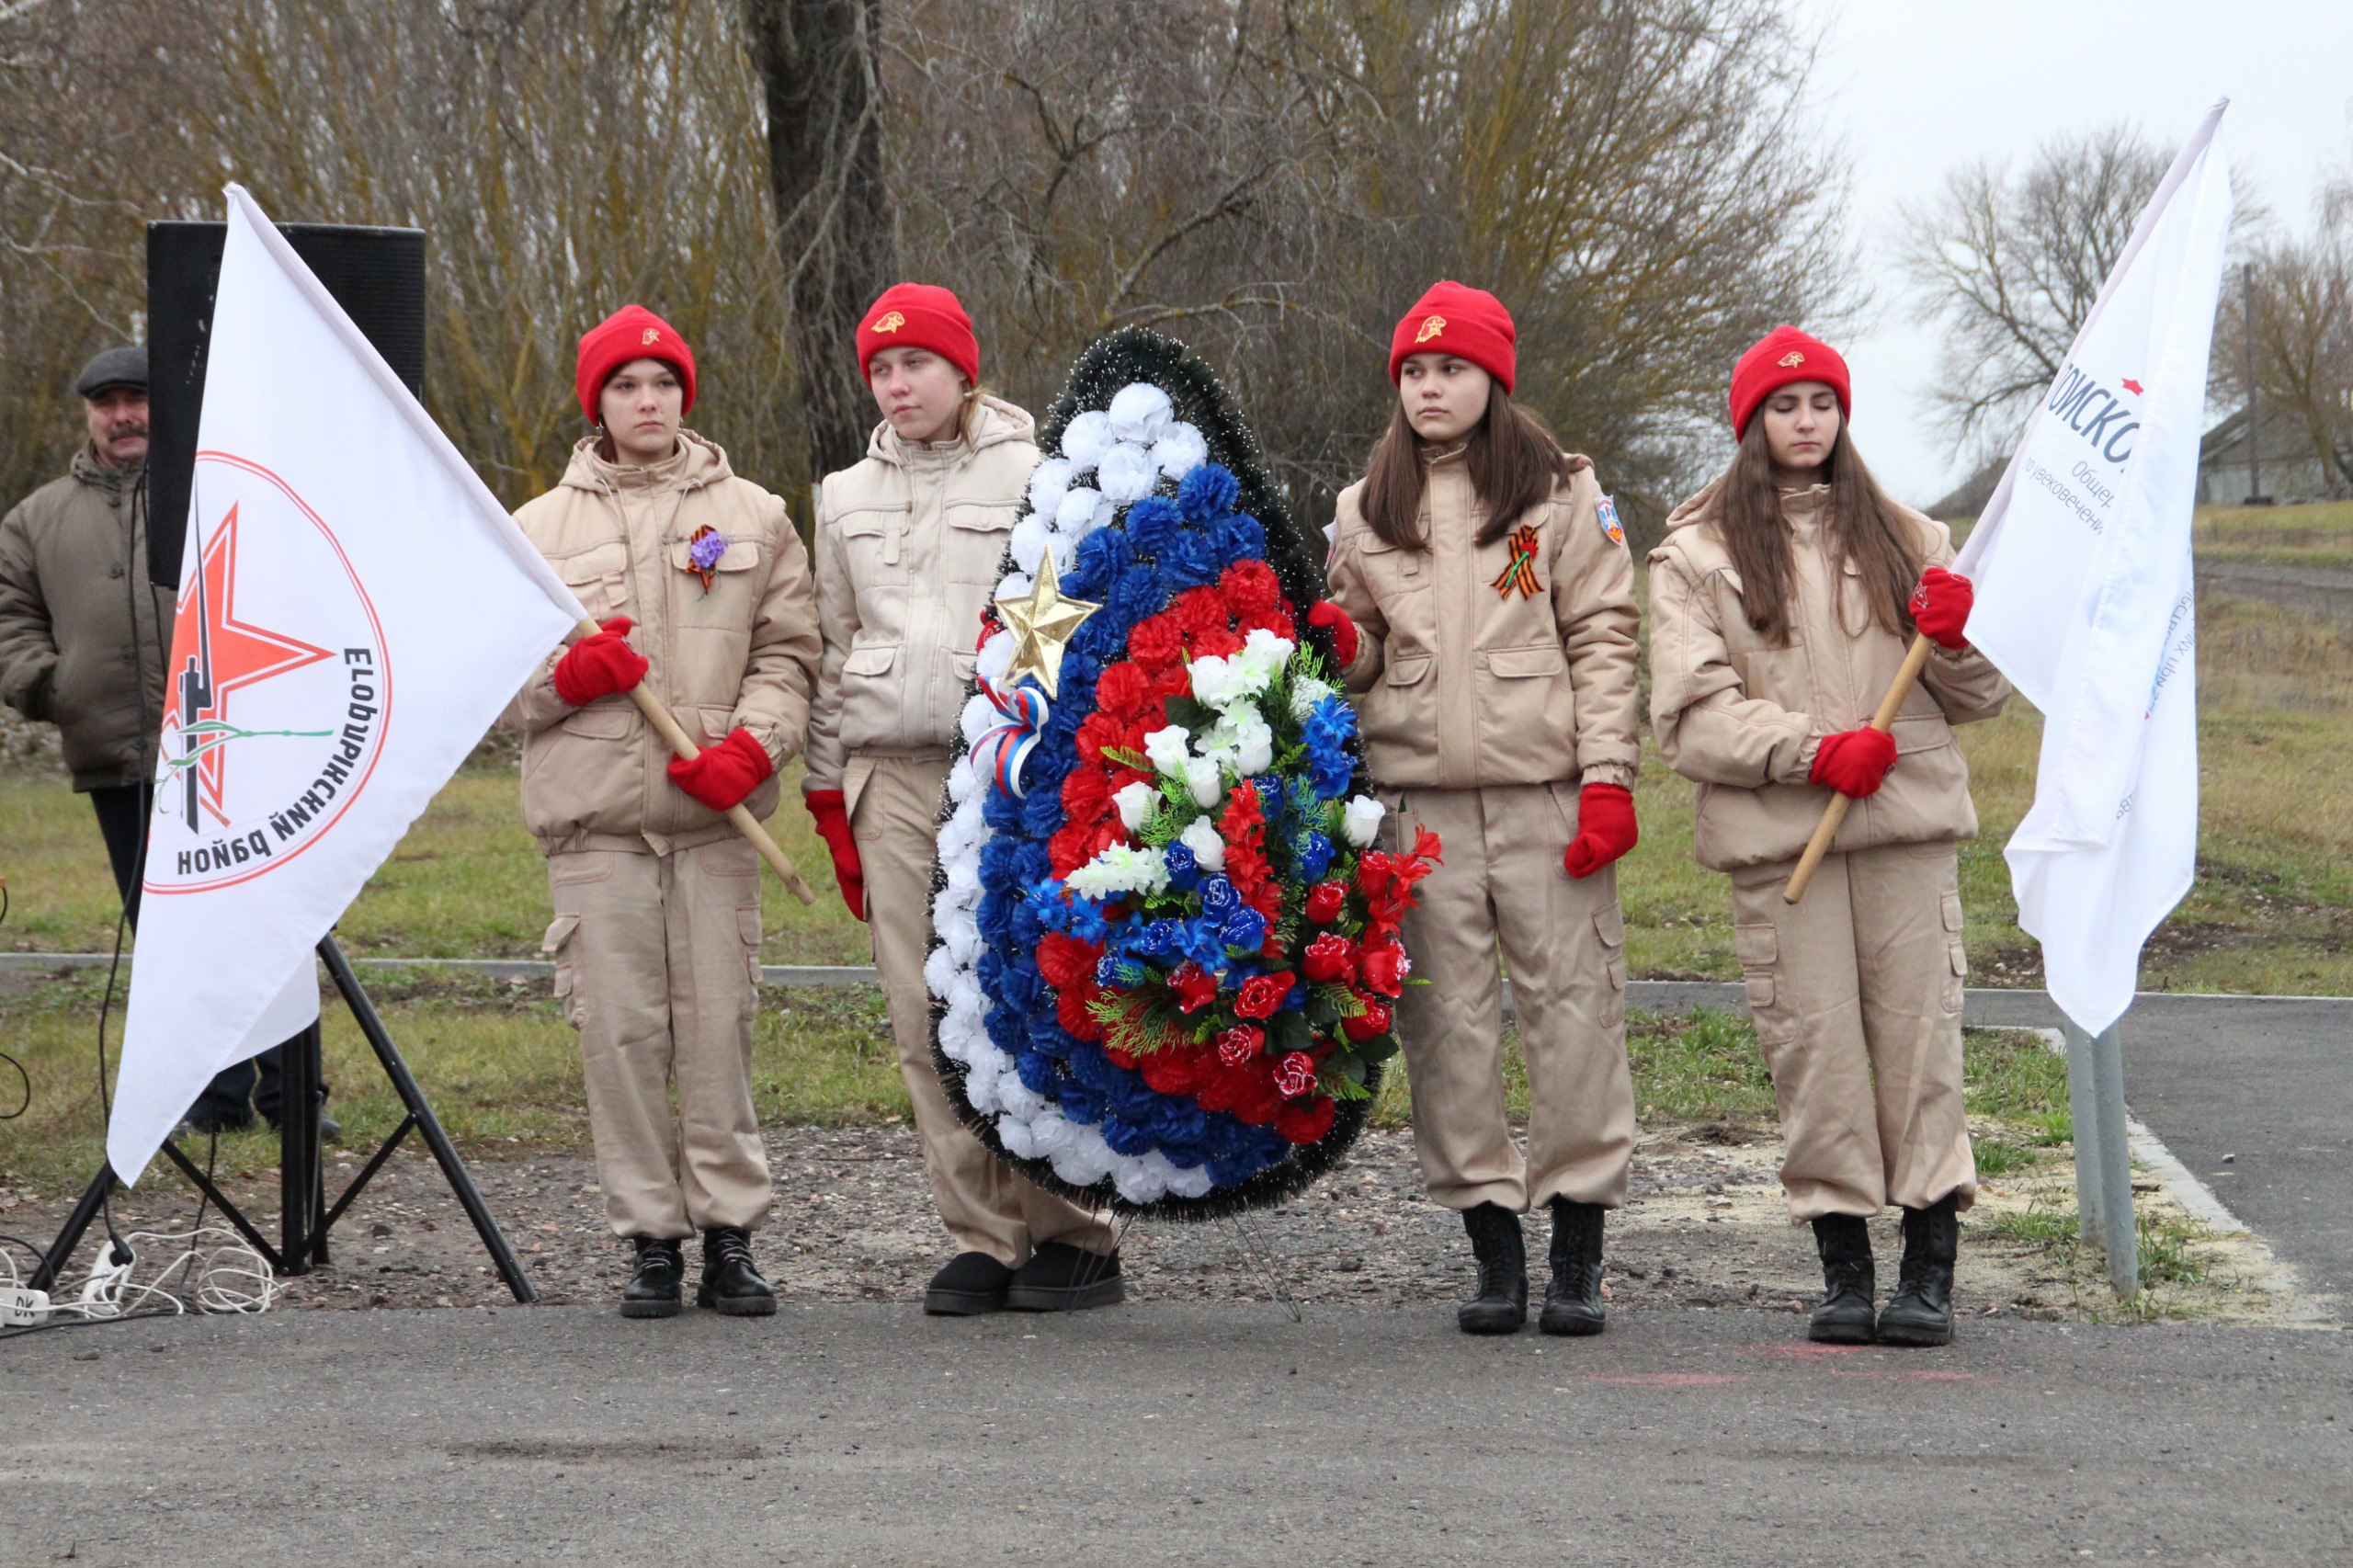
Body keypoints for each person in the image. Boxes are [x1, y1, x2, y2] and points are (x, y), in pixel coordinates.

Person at [1647, 325, 2009, 1347]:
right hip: (1783, 844)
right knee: (1815, 1051)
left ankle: (1928, 1270)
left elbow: (1979, 695)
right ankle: (1845, 1267)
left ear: (1843, 416)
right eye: (1783, 406)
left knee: (1919, 1044)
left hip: (1905, 833)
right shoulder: (1695, 556)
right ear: (1750, 421)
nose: (1805, 423)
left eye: (1822, 404)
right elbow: (1690, 714)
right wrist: (1813, 751)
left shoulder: (1911, 537)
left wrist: (1961, 628)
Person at [1321, 281, 1643, 1336]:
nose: (1429, 388)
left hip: (1548, 799)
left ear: (1492, 378)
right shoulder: (1365, 506)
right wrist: (1341, 646)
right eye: (1412, 371)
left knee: (1574, 1018)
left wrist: (1607, 778)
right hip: (1421, 810)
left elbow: (1603, 638)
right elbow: (1362, 653)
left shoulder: (1559, 496)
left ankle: (1576, 1256)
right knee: (1446, 1028)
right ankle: (1493, 1250)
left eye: (1449, 368)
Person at [802, 282, 1123, 1316]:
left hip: (1008, 770)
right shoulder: (841, 495)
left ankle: (1073, 1230)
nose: (899, 385)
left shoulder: (1037, 471)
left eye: (917, 365)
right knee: (922, 1014)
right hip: (887, 777)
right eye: (881, 370)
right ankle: (981, 1234)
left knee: (1025, 995)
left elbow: (1065, 615)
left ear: (962, 369)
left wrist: (1047, 754)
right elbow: (831, 646)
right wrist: (823, 792)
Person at [505, 306, 820, 1320]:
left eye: (665, 384)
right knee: (622, 1035)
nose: (650, 401)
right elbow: (493, 690)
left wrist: (752, 745)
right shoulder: (530, 533)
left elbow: (790, 654)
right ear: (596, 402)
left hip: (712, 825)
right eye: (628, 386)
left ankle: (730, 1234)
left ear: (686, 394)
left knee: (717, 1029)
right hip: (596, 829)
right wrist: (566, 678)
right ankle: (650, 1238)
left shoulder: (757, 514)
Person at [0, 346, 324, 1136]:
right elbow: (11, 620)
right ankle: (211, 1103)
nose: (124, 415)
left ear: (162, 407)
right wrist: (54, 687)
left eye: (137, 398)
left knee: (269, 923)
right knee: (169, 938)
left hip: (237, 750)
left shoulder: (225, 489)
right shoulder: (35, 519)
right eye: (106, 402)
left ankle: (294, 1100)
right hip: (118, 759)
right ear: (86, 414)